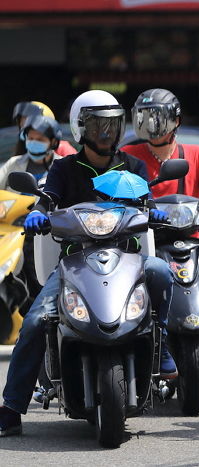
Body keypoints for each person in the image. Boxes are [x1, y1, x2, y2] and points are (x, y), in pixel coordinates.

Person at [0, 90, 176, 438]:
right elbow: (46, 200)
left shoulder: (133, 166)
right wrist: (37, 215)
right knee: (35, 321)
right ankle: (11, 406)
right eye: (98, 126)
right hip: (75, 264)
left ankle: (163, 343)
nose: (106, 133)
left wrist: (155, 211)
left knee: (162, 272)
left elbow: (148, 201)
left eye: (112, 125)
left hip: (130, 259)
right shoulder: (64, 169)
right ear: (81, 129)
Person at [121, 88, 199, 360]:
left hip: (192, 242)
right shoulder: (127, 154)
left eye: (157, 117)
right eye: (144, 116)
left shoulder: (196, 153)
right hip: (145, 243)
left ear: (175, 120)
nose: (150, 124)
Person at [0, 114, 64, 299]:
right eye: (31, 138)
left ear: (52, 142)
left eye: (40, 139)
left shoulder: (62, 166)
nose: (34, 143)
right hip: (14, 232)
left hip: (50, 235)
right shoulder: (14, 164)